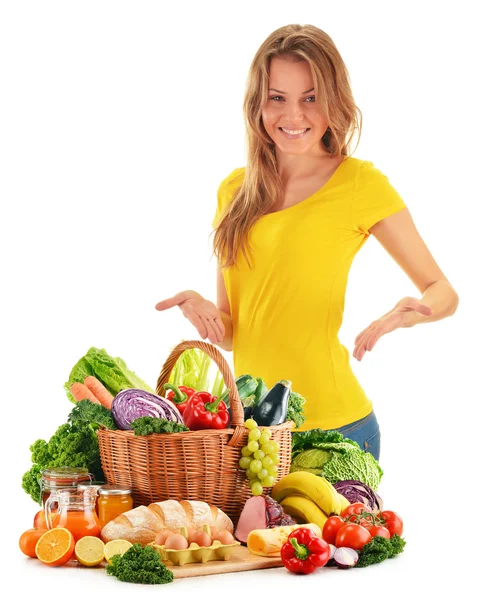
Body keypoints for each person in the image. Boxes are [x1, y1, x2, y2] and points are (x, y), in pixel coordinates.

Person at [155, 24, 459, 461]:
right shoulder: (234, 192)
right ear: (258, 105)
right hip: (256, 435)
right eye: (277, 98)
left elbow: (444, 292)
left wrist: (411, 314)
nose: (293, 116)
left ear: (333, 101)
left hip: (337, 428)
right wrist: (204, 313)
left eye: (310, 98)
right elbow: (235, 333)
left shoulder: (359, 183)